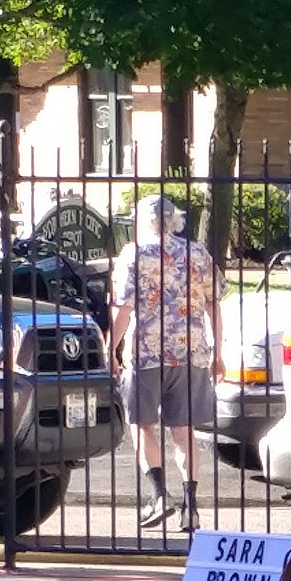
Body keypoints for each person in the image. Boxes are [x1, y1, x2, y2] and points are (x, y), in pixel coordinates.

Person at [110, 194, 225, 532]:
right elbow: (213, 304)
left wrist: (110, 348)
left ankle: (160, 495)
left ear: (142, 221)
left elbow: (124, 308)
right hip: (190, 353)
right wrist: (218, 351)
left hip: (146, 353)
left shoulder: (133, 255)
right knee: (184, 430)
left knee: (141, 424)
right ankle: (191, 505)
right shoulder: (197, 253)